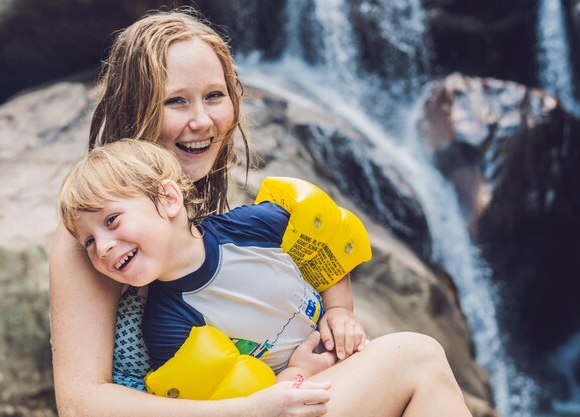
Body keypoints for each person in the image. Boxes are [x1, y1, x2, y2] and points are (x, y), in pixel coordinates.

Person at [49, 8, 473, 417]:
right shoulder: (93, 241)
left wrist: (328, 331)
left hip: (268, 396)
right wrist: (251, 408)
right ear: (135, 108)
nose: (202, 120)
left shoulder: (208, 219)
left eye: (214, 96)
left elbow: (316, 248)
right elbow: (81, 405)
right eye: (176, 101)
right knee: (416, 358)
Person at [57, 139, 364, 379]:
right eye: (89, 241)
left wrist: (339, 311)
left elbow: (325, 250)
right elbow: (230, 398)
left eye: (111, 220)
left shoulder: (253, 225)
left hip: (352, 354)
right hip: (307, 399)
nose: (103, 247)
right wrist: (297, 376)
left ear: (169, 199)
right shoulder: (169, 325)